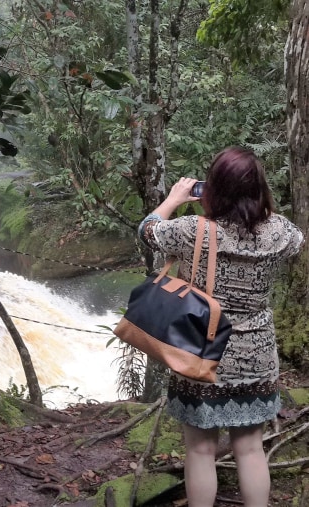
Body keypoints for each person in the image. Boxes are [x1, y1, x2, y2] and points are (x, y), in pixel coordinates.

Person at [137, 147, 304, 507]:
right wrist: (256, 207)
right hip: (256, 356)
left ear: (212, 188)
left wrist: (173, 199)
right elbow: (296, 241)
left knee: (199, 450)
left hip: (201, 351)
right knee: (250, 448)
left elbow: (148, 230)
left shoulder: (192, 229)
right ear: (258, 188)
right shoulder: (278, 231)